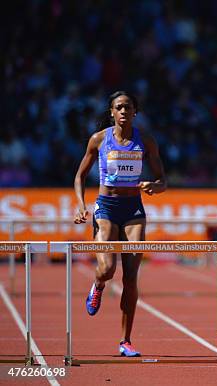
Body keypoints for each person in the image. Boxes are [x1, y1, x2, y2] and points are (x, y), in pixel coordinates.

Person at [73, 91, 167, 357]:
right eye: (119, 107)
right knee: (106, 269)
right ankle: (98, 285)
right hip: (106, 208)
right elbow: (79, 176)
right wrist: (82, 206)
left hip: (134, 209)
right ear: (111, 111)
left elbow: (163, 181)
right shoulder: (99, 140)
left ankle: (125, 340)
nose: (124, 111)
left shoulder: (146, 141)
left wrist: (154, 186)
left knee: (131, 277)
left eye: (128, 107)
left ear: (135, 111)